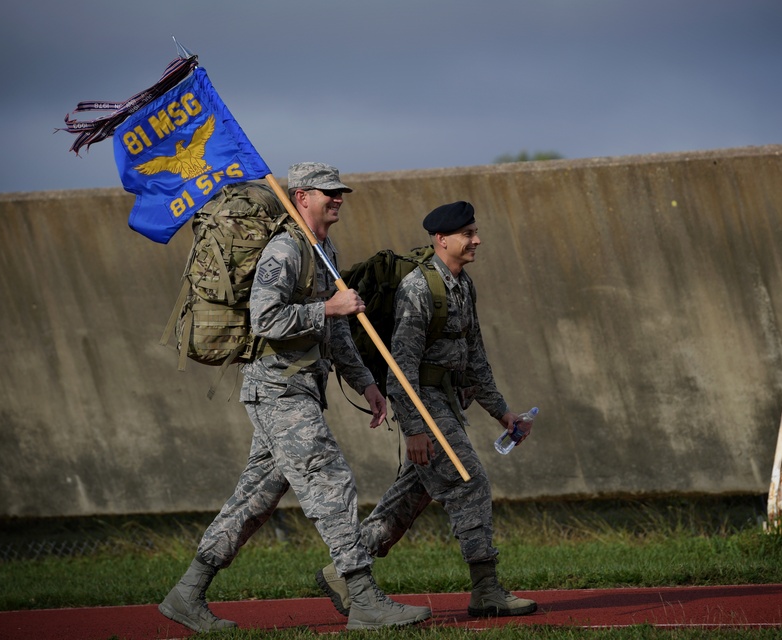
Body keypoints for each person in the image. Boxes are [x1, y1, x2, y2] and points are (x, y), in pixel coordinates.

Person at [159, 163, 432, 633]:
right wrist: (328, 306)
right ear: (301, 196)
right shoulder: (284, 249)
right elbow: (265, 319)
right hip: (278, 387)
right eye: (328, 192)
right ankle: (363, 597)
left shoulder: (323, 249)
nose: (338, 198)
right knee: (330, 479)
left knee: (257, 496)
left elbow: (338, 331)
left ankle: (187, 593)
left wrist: (365, 381)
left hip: (299, 387)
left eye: (341, 191)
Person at [315, 201, 537, 618]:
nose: (477, 240)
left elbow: (476, 358)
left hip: (450, 403)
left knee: (408, 500)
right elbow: (400, 368)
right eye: (468, 234)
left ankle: (341, 572)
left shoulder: (464, 285)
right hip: (424, 403)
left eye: (475, 232)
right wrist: (415, 429)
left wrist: (503, 414)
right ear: (442, 239)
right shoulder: (419, 289)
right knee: (469, 481)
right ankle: (486, 590)